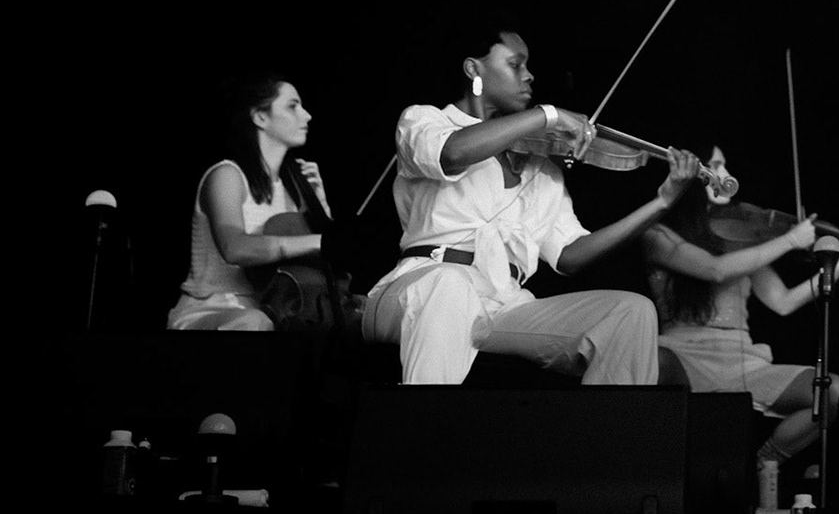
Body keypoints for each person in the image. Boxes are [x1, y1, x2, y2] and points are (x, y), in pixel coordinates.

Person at [362, 21, 696, 385]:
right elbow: (453, 153)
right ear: (474, 69)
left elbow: (570, 256)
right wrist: (547, 115)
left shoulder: (542, 169)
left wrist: (660, 203)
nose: (529, 75)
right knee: (450, 284)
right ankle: (420, 432)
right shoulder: (425, 120)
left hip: (503, 304)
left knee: (631, 312)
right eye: (515, 65)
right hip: (420, 288)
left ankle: (603, 439)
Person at [644, 144, 839, 510]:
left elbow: (783, 302)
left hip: (743, 359)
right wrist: (788, 240)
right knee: (657, 365)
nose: (725, 178)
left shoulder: (741, 244)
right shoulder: (657, 236)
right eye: (714, 168)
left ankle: (763, 462)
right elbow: (715, 269)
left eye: (727, 169)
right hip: (683, 355)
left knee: (828, 391)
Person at [169, 74, 334, 331]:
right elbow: (235, 248)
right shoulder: (226, 176)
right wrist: (320, 240)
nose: (307, 115)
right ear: (260, 117)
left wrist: (320, 208)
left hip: (273, 311)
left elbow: (320, 267)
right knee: (255, 324)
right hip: (214, 310)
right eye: (293, 106)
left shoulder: (294, 188)